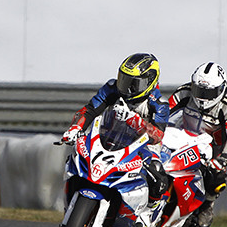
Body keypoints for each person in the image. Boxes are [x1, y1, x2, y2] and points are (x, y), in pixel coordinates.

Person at [61, 52, 171, 205]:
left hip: (143, 146)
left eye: (133, 83)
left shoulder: (159, 104)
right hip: (109, 135)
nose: (125, 88)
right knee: (77, 155)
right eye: (124, 79)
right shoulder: (112, 88)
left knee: (157, 173)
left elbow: (157, 135)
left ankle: (149, 211)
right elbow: (90, 110)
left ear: (149, 82)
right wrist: (75, 128)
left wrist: (134, 121)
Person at [167, 62, 227, 227]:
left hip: (212, 147)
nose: (202, 97)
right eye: (199, 91)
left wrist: (223, 159)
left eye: (208, 93)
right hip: (182, 137)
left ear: (220, 89)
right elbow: (164, 113)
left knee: (217, 178)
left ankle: (208, 204)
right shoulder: (183, 93)